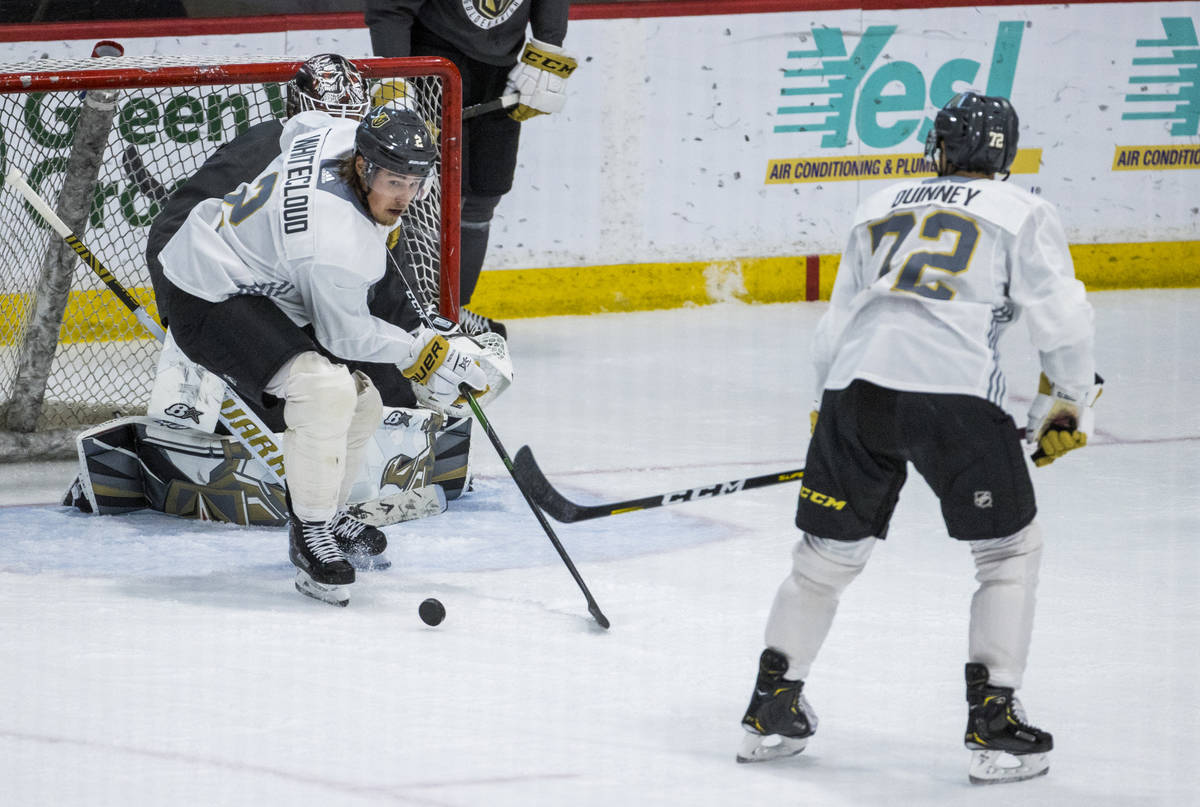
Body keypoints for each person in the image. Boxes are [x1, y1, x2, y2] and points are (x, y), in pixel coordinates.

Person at [736, 92, 1102, 784]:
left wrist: (827, 415)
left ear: (939, 146)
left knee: (824, 557)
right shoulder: (1022, 211)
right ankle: (993, 722)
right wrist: (1069, 406)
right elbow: (1066, 326)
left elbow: (835, 324)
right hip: (954, 397)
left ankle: (771, 707)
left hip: (856, 391)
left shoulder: (878, 204)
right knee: (1008, 551)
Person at [157, 104, 488, 606]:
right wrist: (423, 350)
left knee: (366, 404)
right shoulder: (334, 242)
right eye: (394, 181)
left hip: (246, 269)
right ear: (363, 166)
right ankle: (310, 536)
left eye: (414, 181)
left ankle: (326, 516)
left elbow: (295, 129)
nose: (406, 196)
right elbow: (342, 336)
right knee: (324, 389)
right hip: (204, 291)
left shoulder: (339, 132)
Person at [364, 0, 577, 339]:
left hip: (502, 65)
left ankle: (452, 313)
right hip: (435, 55)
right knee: (420, 196)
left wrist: (548, 45)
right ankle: (406, 314)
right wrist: (396, 75)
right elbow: (389, 8)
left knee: (484, 191)